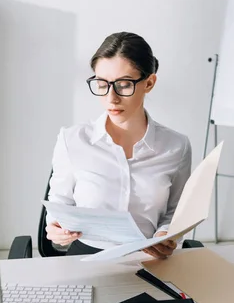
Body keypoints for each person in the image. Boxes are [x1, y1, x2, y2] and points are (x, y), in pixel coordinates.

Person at [45, 32, 192, 259]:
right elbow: (59, 203)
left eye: (123, 85)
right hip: (86, 256)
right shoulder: (72, 140)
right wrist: (56, 228)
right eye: (102, 84)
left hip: (149, 257)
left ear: (149, 83)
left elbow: (176, 211)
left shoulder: (176, 147)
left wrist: (166, 233)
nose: (111, 98)